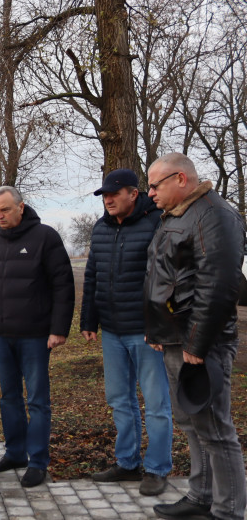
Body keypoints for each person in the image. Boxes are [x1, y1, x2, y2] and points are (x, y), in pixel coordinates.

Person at [144, 153, 246, 520]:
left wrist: (197, 344)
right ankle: (201, 497)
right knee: (193, 423)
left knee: (216, 429)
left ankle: (228, 511)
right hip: (176, 338)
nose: (150, 193)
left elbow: (218, 285)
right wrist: (157, 330)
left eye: (155, 185)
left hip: (202, 344)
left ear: (181, 179)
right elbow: (167, 278)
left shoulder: (214, 215)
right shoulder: (177, 215)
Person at [80, 169, 173, 496]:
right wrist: (88, 320)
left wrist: (160, 325)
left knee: (156, 403)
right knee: (119, 399)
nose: (108, 200)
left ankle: (157, 468)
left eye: (114, 194)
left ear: (133, 194)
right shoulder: (101, 227)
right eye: (104, 195)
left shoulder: (158, 223)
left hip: (147, 332)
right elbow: (92, 273)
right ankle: (127, 463)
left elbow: (168, 278)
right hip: (112, 330)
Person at [0, 186, 74, 488]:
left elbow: (63, 285)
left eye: (5, 209)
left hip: (35, 335)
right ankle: (15, 453)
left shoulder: (45, 237)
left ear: (21, 207)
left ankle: (38, 461)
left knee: (37, 400)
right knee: (9, 398)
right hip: (0, 335)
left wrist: (58, 329)